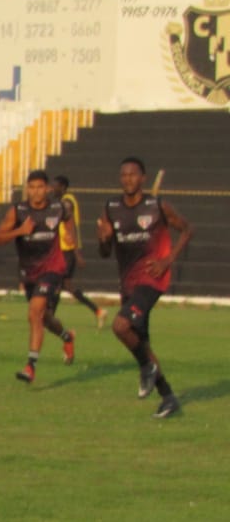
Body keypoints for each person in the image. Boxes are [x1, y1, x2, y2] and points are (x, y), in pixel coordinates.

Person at [96, 157, 193, 419]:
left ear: (143, 178)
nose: (128, 179)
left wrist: (167, 260)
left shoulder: (157, 206)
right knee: (141, 342)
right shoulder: (111, 207)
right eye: (123, 175)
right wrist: (104, 239)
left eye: (133, 174)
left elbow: (187, 229)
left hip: (152, 279)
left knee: (120, 326)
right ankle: (169, 397)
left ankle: (146, 368)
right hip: (128, 284)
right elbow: (105, 252)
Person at [0, 170, 77, 383]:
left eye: (40, 187)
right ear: (27, 189)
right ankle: (67, 336)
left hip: (52, 268)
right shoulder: (18, 211)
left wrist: (70, 235)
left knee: (34, 312)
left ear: (47, 189)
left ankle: (30, 366)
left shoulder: (58, 208)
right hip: (29, 271)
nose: (36, 192)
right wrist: (20, 231)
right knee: (44, 318)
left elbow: (69, 220)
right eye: (32, 187)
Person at [51, 175, 107, 329]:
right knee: (66, 286)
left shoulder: (67, 203)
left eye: (54, 186)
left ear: (62, 187)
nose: (52, 188)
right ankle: (98, 311)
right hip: (64, 251)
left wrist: (76, 254)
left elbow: (71, 228)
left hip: (67, 252)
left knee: (57, 284)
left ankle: (49, 319)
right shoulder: (65, 201)